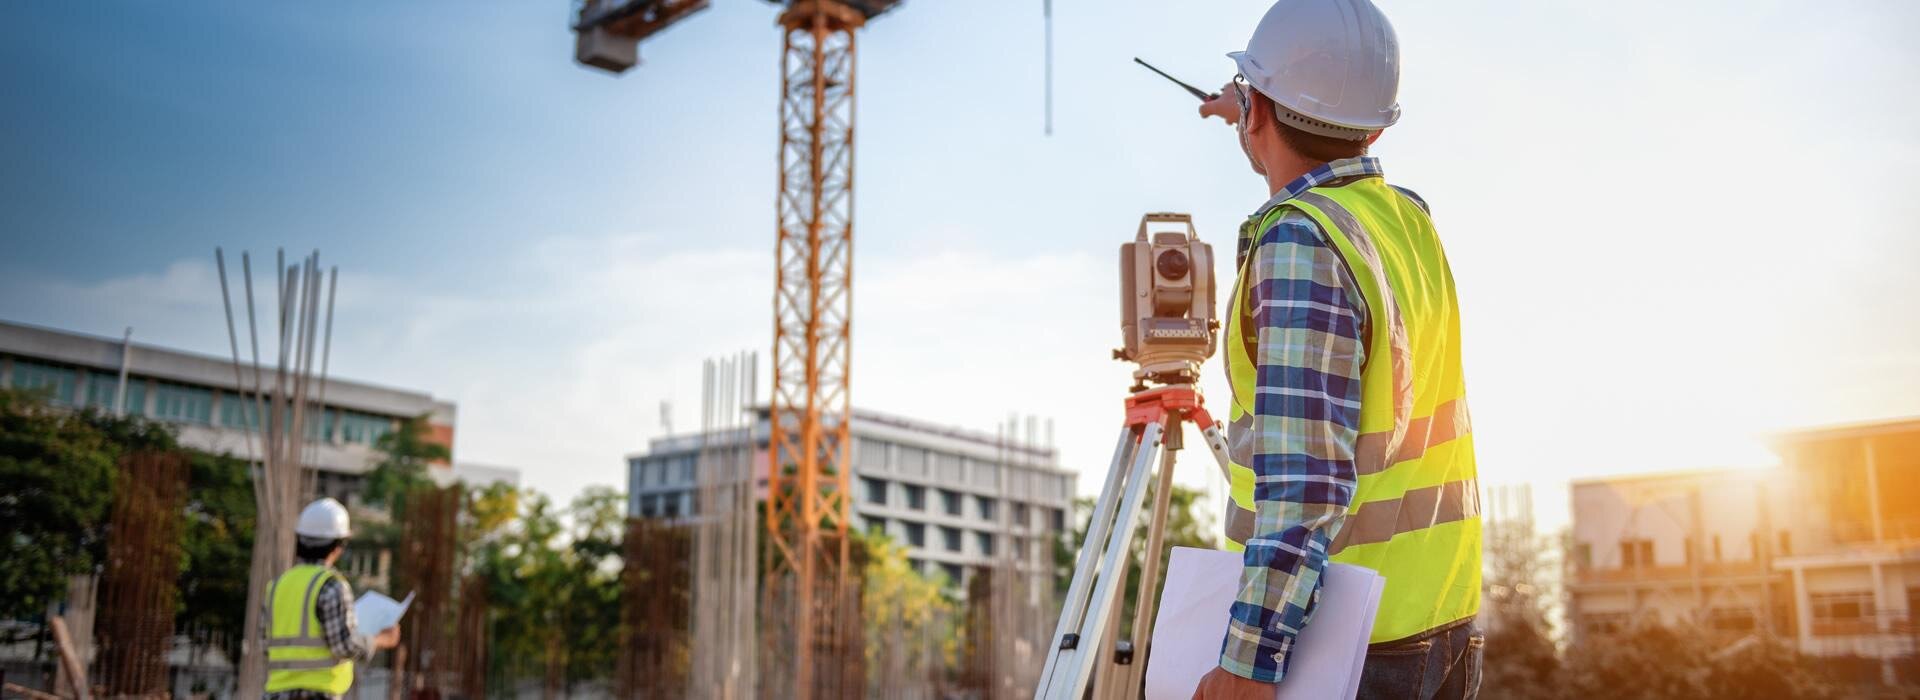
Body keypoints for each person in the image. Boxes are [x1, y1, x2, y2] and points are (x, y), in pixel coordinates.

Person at [1188, 1, 1482, 698]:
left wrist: (1245, 663)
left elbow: (1306, 486)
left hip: (1346, 649)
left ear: (1257, 108)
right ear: (1377, 125)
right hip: (1443, 622)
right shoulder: (1404, 219)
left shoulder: (1301, 243)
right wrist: (1257, 110)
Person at [264, 497, 401, 699]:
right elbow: (344, 645)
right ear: (338, 546)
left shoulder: (276, 586)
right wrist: (382, 639)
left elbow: (266, 645)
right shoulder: (331, 585)